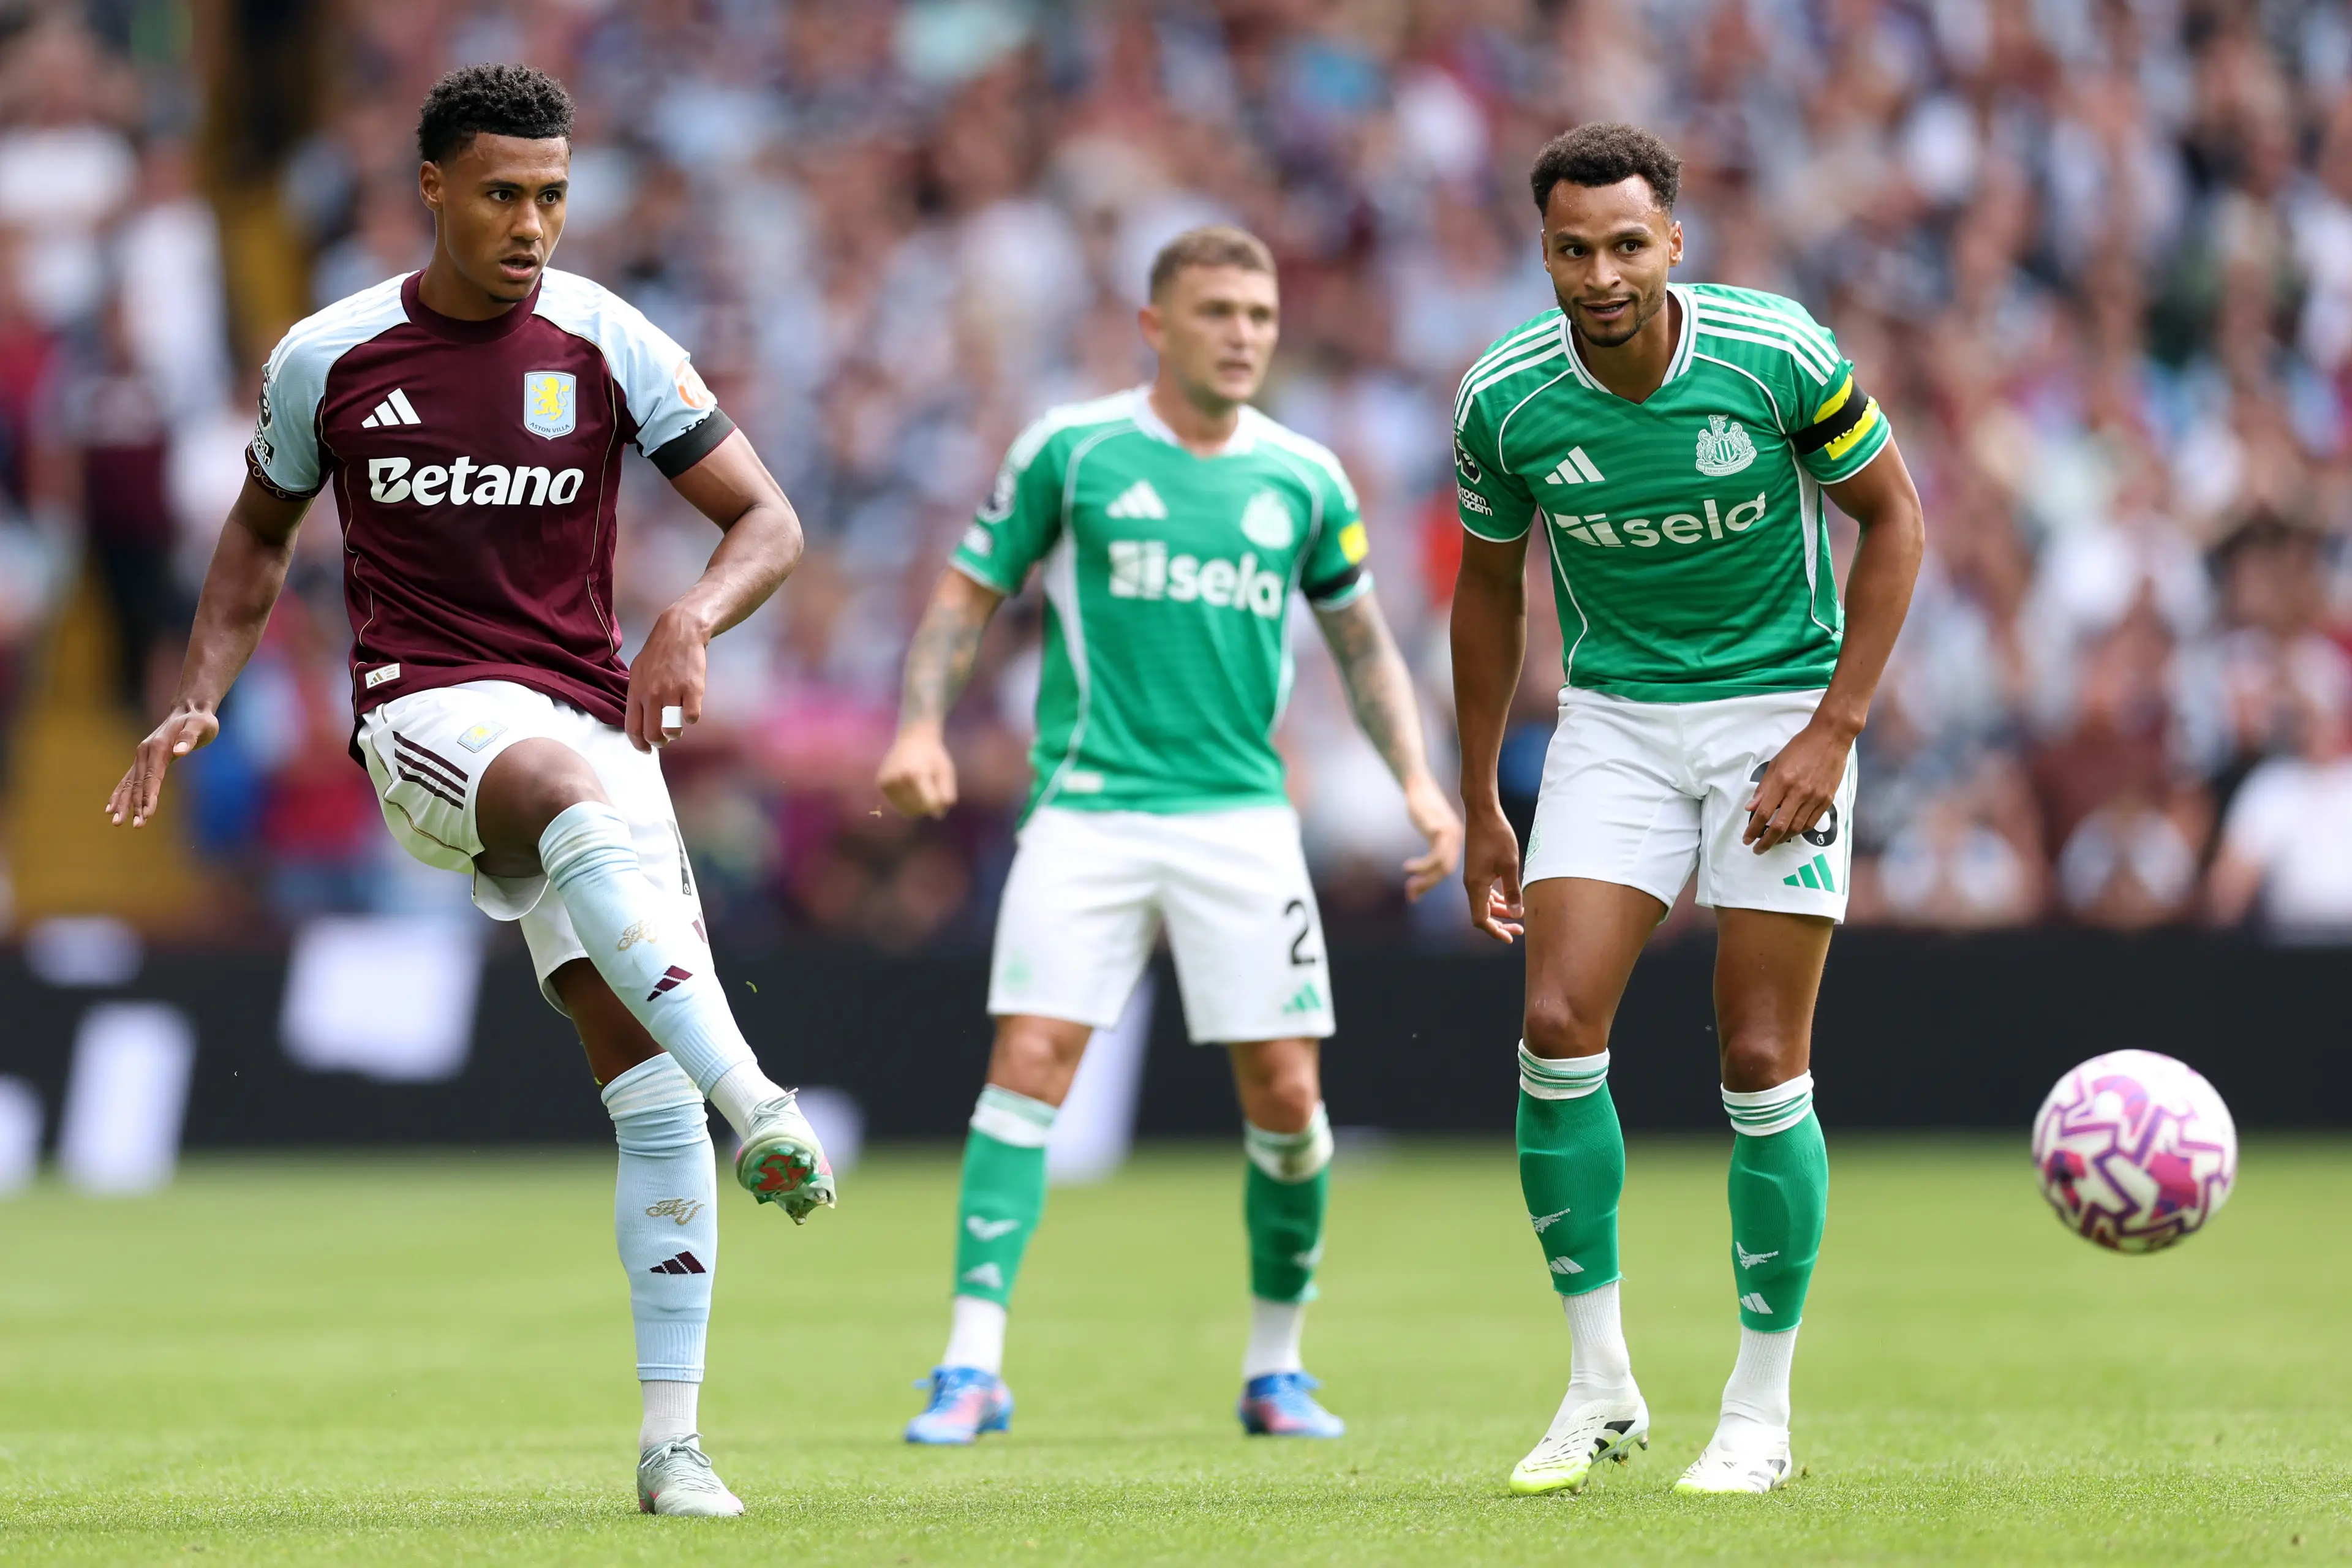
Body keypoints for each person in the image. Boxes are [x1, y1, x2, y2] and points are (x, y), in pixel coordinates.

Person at [104, 63, 834, 1518]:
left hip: (595, 719)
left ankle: (672, 1445)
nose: (532, 223)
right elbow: (256, 536)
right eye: (502, 193)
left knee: (646, 1103)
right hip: (425, 720)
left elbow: (768, 519)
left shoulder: (607, 338)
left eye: (553, 195)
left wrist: (692, 615)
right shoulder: (330, 355)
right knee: (567, 789)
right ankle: (758, 1090)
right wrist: (202, 687)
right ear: (430, 188)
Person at [877, 225, 1463, 1446]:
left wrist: (1418, 775)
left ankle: (1277, 1363)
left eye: (1260, 312)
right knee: (1029, 1061)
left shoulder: (1304, 476)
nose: (1245, 333)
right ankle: (970, 1363)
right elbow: (963, 592)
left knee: (1290, 1092)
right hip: (1087, 809)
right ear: (1157, 326)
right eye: (1217, 312)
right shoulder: (1073, 450)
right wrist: (922, 726)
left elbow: (1362, 643)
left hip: (1243, 820)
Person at [1449, 124, 1924, 1495]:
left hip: (1781, 712)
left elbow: (1893, 519)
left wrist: (1834, 730)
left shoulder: (1777, 354)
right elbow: (1491, 590)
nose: (1601, 273)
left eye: (1627, 244)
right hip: (1614, 723)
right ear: (1543, 250)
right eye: (1573, 248)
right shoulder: (1504, 400)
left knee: (1762, 1055)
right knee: (1553, 1024)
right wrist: (1483, 790)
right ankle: (1599, 1384)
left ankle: (1759, 1414)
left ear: (1675, 242)